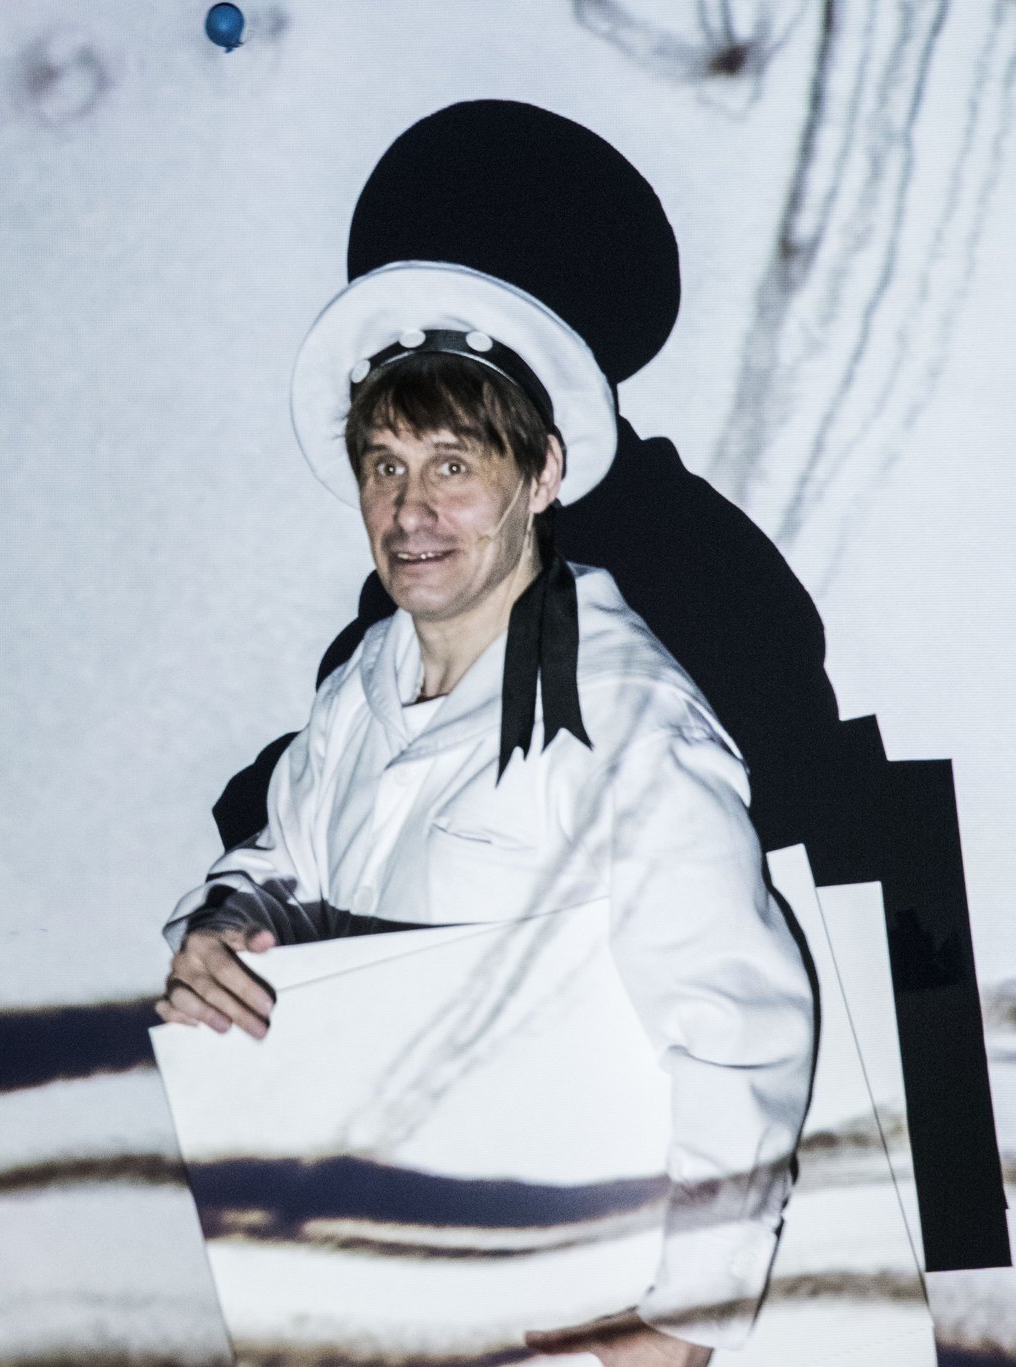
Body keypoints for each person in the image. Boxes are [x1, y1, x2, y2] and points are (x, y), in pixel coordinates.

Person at [156, 269, 816, 1362]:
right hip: (381, 1276)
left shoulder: (621, 712)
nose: (410, 511)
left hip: (564, 1301)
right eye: (386, 467)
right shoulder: (361, 687)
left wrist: (685, 1317)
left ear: (541, 474)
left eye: (453, 466)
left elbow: (739, 1030)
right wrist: (225, 922)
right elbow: (282, 860)